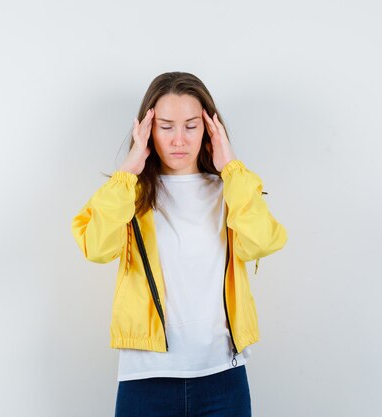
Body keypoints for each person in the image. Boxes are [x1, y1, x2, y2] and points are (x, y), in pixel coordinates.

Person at [71, 72, 288, 417]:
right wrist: (129, 171)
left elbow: (263, 241)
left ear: (208, 130)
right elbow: (97, 248)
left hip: (223, 377)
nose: (178, 140)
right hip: (147, 378)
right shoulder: (129, 195)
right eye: (166, 126)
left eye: (191, 126)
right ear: (147, 130)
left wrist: (231, 168)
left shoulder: (230, 190)